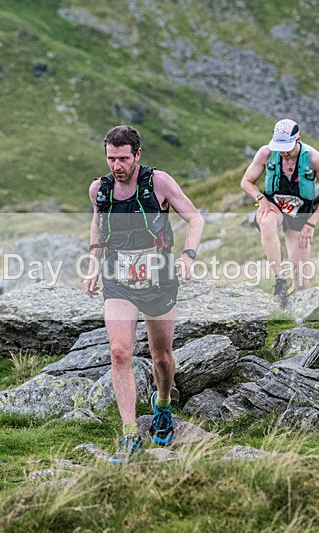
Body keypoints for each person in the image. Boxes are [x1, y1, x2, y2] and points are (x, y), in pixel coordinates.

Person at [83, 125, 204, 464]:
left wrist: (187, 256)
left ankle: (162, 405)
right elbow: (97, 224)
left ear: (137, 155)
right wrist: (93, 264)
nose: (116, 166)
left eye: (123, 158)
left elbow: (195, 219)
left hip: (159, 279)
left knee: (161, 357)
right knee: (120, 352)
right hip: (118, 279)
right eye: (111, 158)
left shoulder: (159, 183)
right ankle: (129, 436)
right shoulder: (99, 189)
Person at [240, 119, 319, 303]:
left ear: (298, 139)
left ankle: (301, 316)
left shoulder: (314, 158)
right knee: (266, 222)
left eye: (287, 147)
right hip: (273, 205)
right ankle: (280, 280)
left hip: (301, 212)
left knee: (300, 275)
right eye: (279, 147)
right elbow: (246, 182)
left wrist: (311, 223)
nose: (283, 152)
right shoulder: (266, 153)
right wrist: (260, 200)